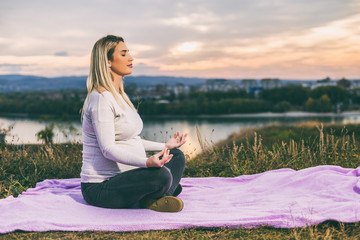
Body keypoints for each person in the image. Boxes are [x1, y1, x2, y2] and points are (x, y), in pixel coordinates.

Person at [80, 35, 187, 212]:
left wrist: (165, 145)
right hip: (101, 188)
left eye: (128, 53)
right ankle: (161, 192)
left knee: (176, 155)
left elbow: (132, 139)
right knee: (161, 176)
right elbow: (108, 149)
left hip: (127, 177)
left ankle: (157, 193)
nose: (131, 58)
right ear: (107, 61)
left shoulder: (120, 96)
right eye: (123, 54)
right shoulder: (100, 99)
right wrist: (146, 163)